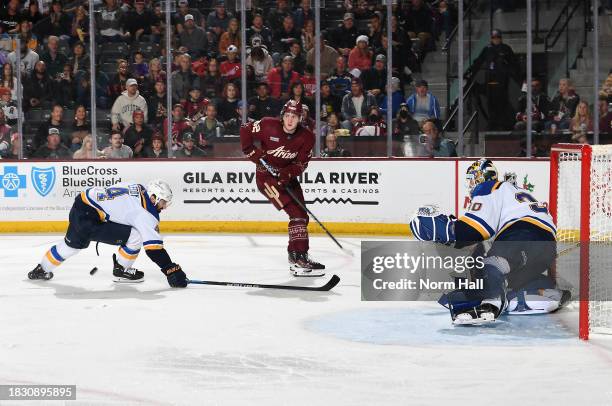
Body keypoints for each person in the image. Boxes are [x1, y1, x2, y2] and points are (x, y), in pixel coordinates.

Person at [410, 159, 566, 325]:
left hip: (522, 234)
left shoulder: (487, 187)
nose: (470, 184)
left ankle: (490, 304)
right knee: (506, 281)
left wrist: (444, 230)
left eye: (471, 178)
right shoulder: (511, 192)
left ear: (480, 177)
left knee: (492, 264)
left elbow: (474, 231)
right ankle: (546, 291)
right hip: (544, 246)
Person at [28, 180, 188, 288]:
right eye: (163, 201)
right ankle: (121, 270)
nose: (165, 206)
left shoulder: (137, 186)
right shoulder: (144, 215)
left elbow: (121, 206)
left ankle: (41, 269)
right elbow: (154, 249)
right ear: (153, 197)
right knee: (136, 236)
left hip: (83, 203)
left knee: (70, 246)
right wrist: (171, 269)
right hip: (89, 220)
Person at [240, 99, 325, 276]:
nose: (290, 120)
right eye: (287, 115)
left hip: (287, 178)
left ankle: (295, 255)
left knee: (302, 215)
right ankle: (300, 257)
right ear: (282, 116)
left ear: (300, 118)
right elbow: (245, 129)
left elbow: (302, 164)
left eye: (294, 116)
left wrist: (287, 173)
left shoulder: (307, 137)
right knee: (296, 214)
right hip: (266, 179)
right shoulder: (267, 125)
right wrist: (252, 153)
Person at [469, 29, 518, 130]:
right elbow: (478, 61)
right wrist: (470, 72)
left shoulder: (506, 49)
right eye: (493, 38)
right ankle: (493, 123)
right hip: (490, 80)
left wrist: (513, 74)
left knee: (502, 102)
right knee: (491, 102)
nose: (496, 39)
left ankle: (504, 124)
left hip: (502, 80)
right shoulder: (487, 49)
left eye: (498, 37)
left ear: (501, 38)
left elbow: (514, 64)